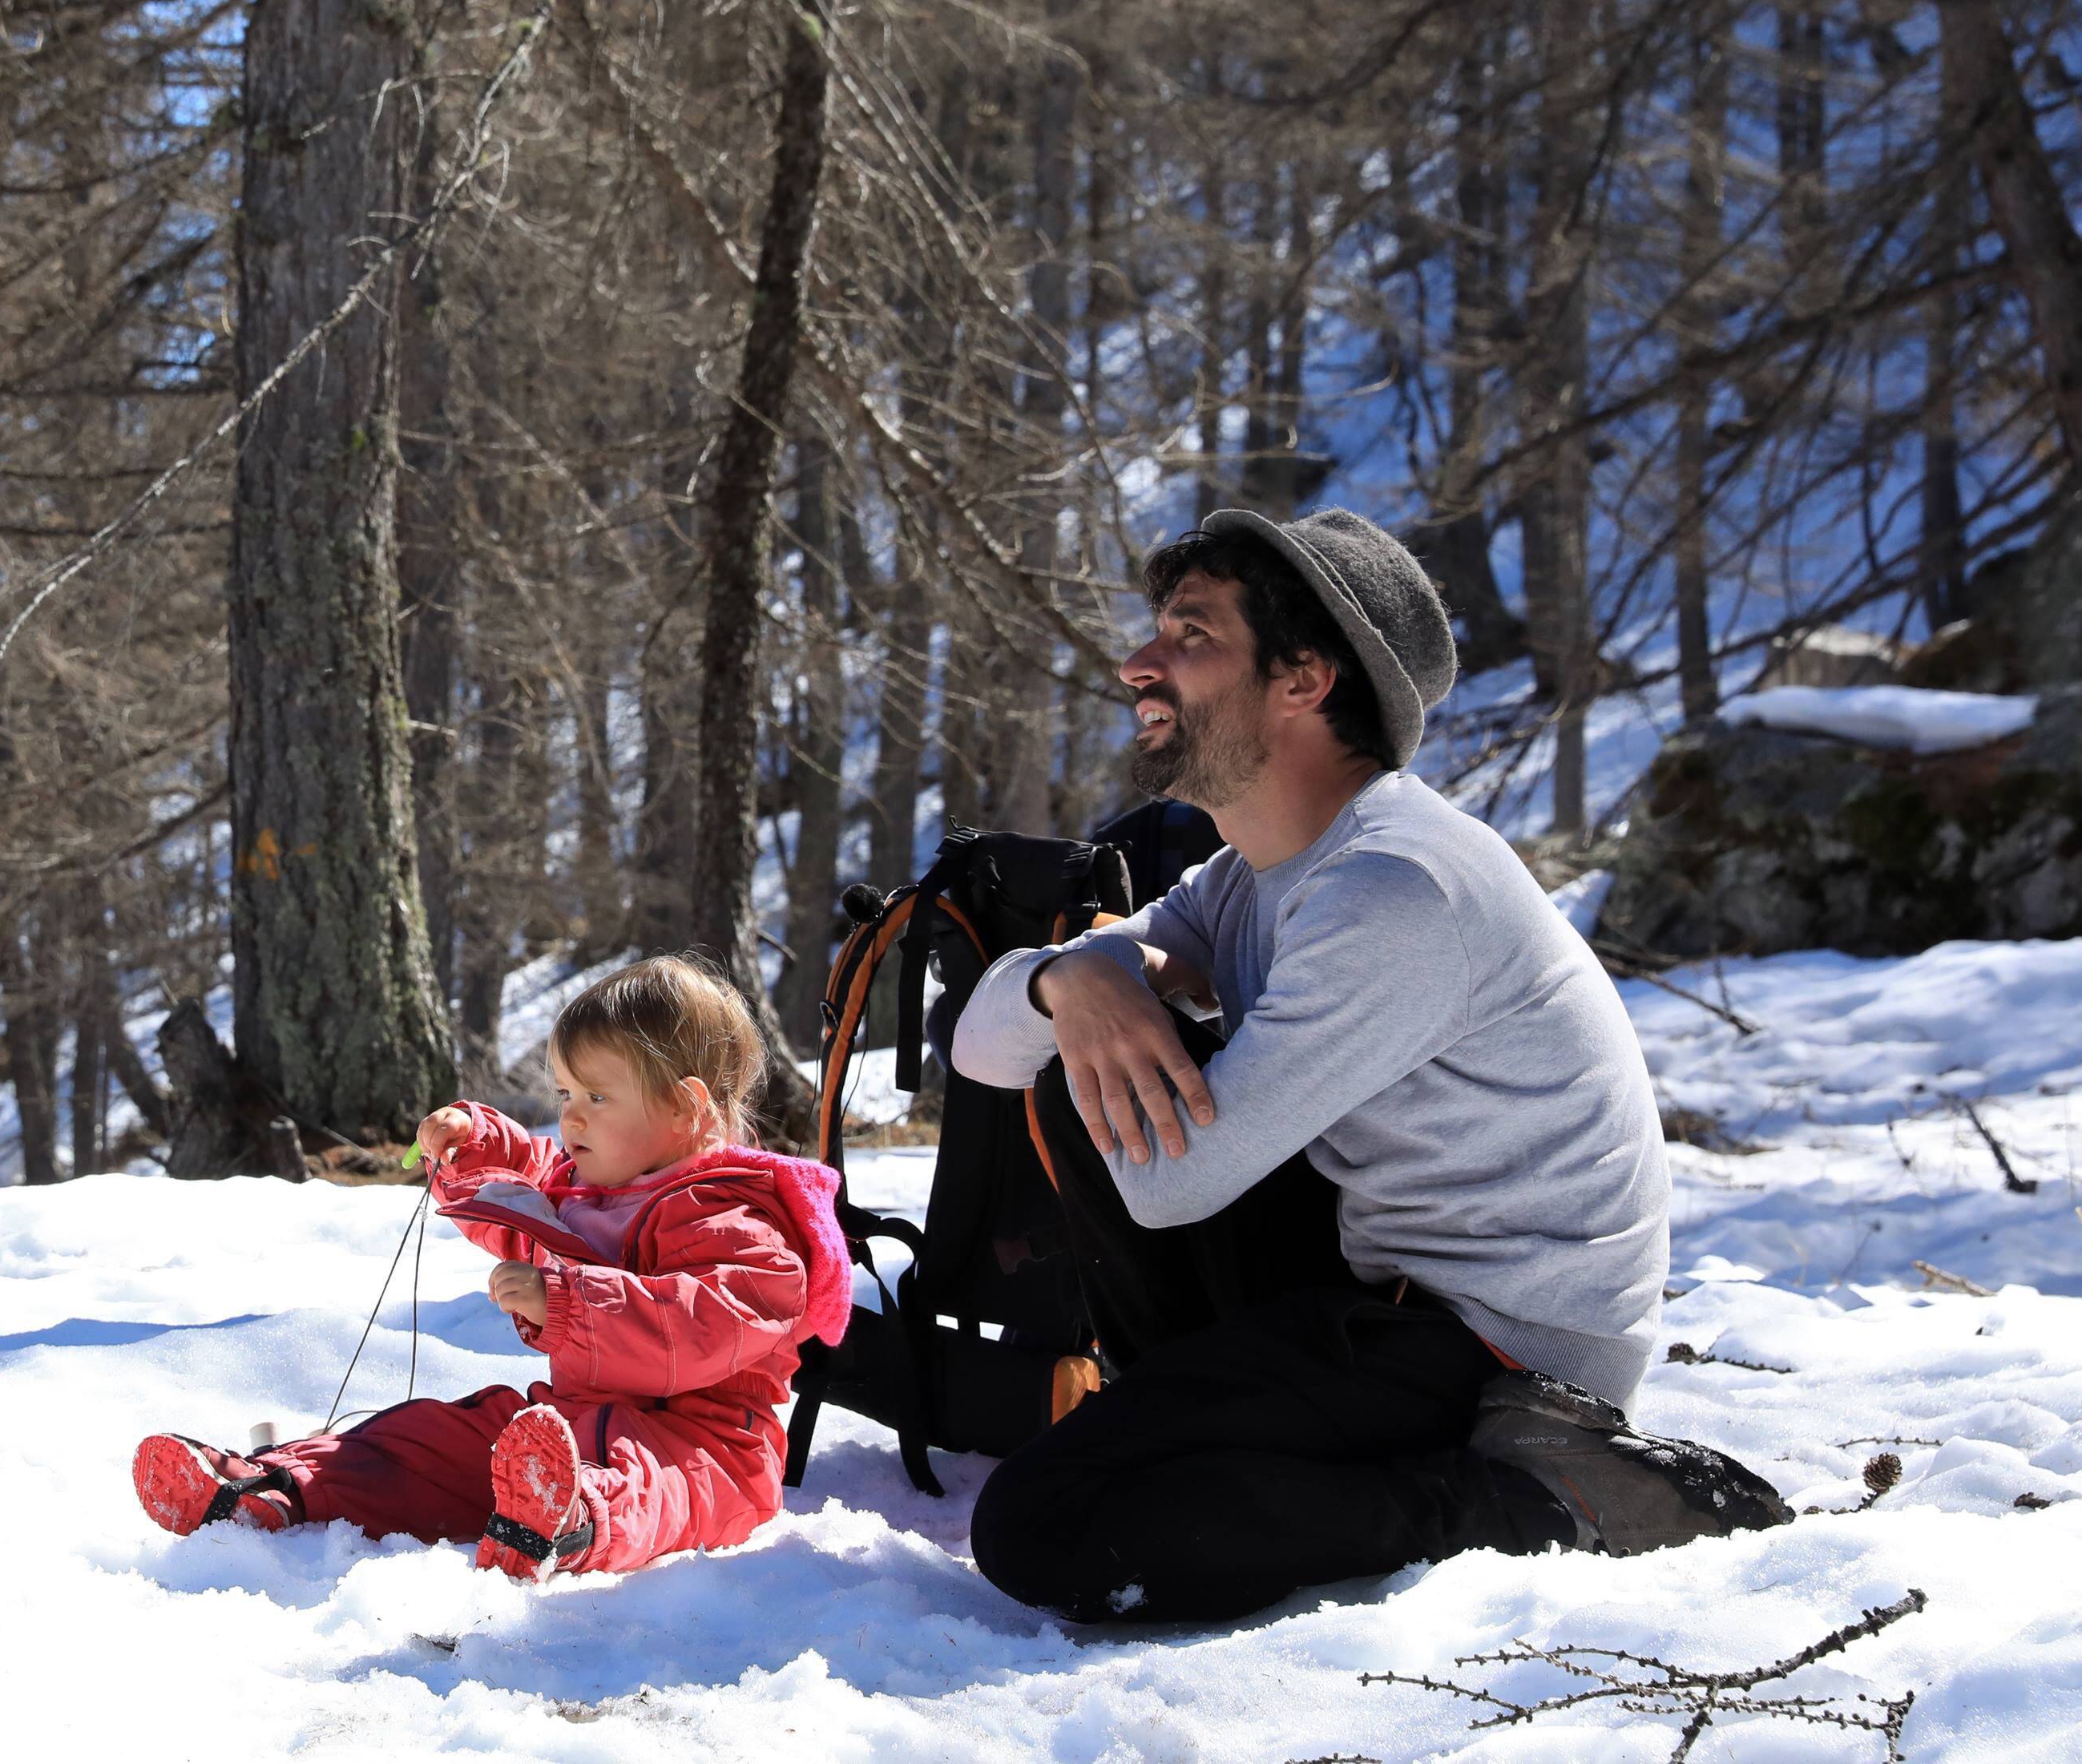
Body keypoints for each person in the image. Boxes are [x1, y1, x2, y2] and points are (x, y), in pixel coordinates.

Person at [954, 508, 1788, 1625]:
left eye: (1190, 634)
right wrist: (1079, 977)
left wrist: (1102, 976)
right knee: (1081, 1066)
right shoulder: (1252, 876)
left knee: (1040, 1524)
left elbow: (1174, 1183)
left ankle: (1526, 1495)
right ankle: (1211, 1430)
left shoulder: (1396, 884)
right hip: (1383, 1288)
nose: (1137, 665)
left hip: (1502, 1349)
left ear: (1304, 678)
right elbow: (980, 1050)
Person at [131, 957, 851, 1580]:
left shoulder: (739, 1221)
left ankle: (568, 1518)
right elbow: (528, 1180)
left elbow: (699, 1327)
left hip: (706, 1449)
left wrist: (568, 1301)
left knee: (651, 1484)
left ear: (686, 1108)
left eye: (597, 1098)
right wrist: (475, 1145)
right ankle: (279, 1487)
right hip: (566, 1425)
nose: (571, 1120)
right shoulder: (588, 1186)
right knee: (434, 1436)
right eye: (565, 1095)